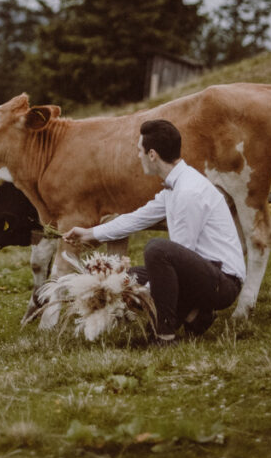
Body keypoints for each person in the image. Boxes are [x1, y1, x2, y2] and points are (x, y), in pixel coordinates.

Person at [63, 118, 245, 345]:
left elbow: (179, 255)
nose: (137, 156)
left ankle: (165, 335)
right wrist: (90, 234)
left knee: (158, 250)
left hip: (223, 283)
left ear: (152, 154)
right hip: (205, 271)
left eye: (139, 150)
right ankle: (196, 316)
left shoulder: (188, 192)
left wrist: (142, 294)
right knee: (129, 277)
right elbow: (138, 217)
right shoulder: (176, 183)